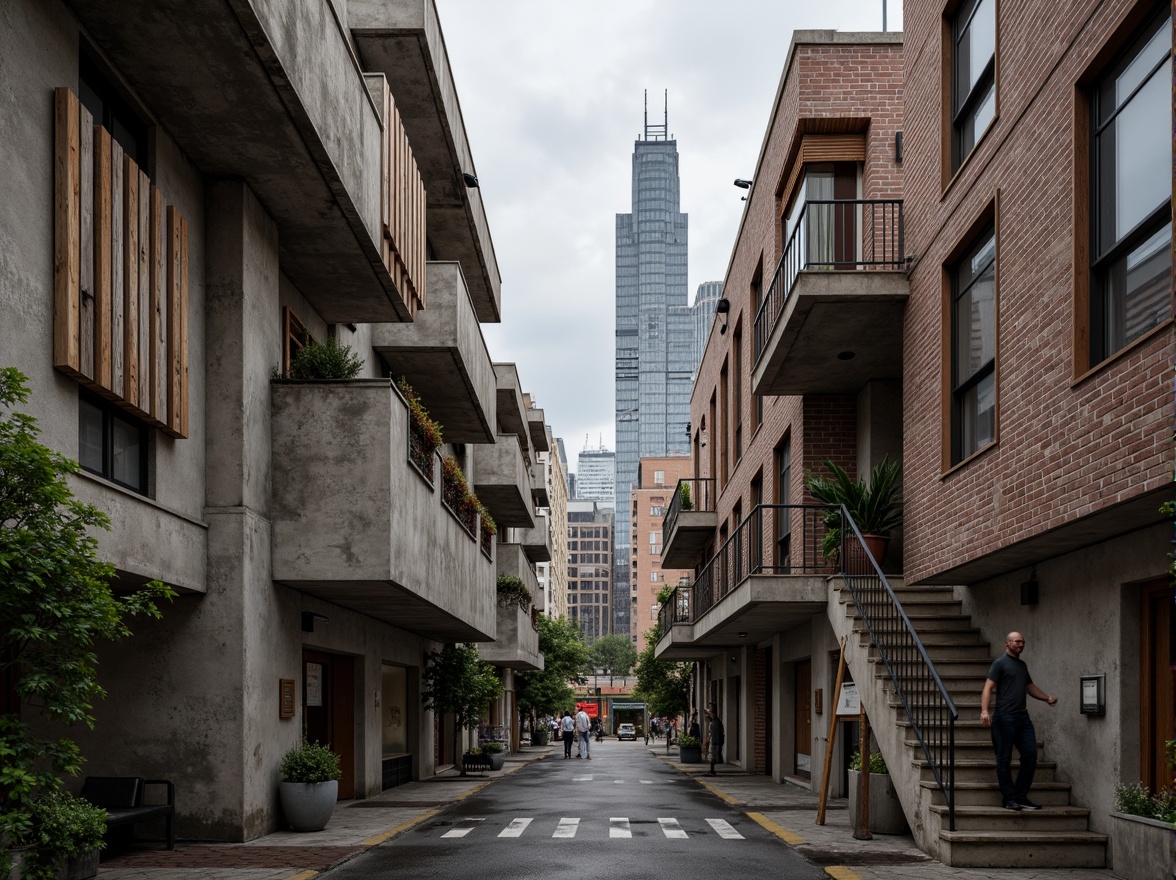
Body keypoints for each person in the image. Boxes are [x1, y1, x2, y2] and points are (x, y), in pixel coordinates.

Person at [980, 631, 1057, 811]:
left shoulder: (1022, 665)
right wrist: (985, 711)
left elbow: (1029, 687)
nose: (1021, 645)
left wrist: (1047, 698)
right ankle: (1009, 798)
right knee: (1004, 759)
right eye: (1017, 642)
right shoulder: (999, 664)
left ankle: (1020, 796)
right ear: (1007, 644)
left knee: (1030, 754)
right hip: (1004, 717)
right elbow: (988, 688)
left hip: (1022, 718)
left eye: (1022, 642)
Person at [706, 705, 724, 776]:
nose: (708, 714)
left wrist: (716, 743)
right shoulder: (715, 721)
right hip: (716, 742)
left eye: (709, 712)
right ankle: (712, 770)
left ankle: (712, 770)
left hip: (715, 742)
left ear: (712, 713)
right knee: (713, 756)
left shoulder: (715, 722)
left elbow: (715, 733)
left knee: (714, 756)